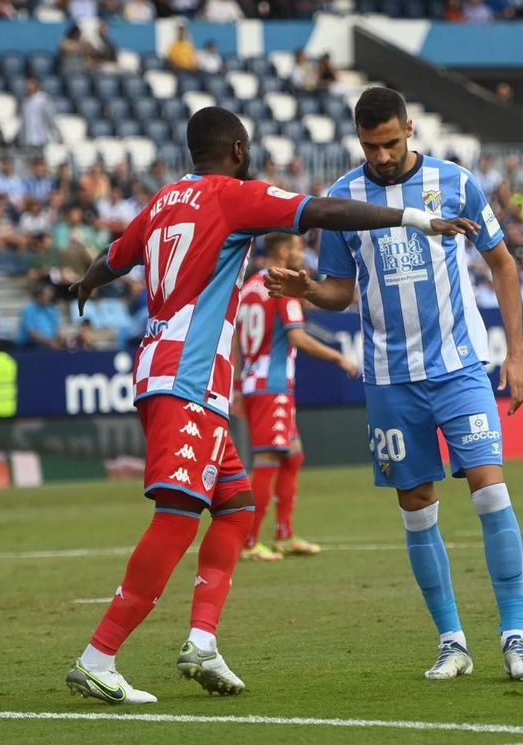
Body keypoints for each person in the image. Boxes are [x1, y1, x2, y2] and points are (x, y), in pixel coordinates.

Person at [62, 106, 476, 705]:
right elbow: (326, 211)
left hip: (168, 371)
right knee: (178, 515)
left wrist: (86, 284)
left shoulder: (162, 201)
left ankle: (202, 642)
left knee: (235, 508)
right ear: (236, 149)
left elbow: (113, 256)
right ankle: (98, 657)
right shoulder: (233, 196)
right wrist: (415, 217)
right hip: (188, 376)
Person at [268, 88, 523, 683]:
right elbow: (340, 291)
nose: (383, 156)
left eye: (391, 143)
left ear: (410, 128)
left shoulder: (456, 182)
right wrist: (307, 289)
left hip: (460, 367)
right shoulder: (342, 201)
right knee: (417, 509)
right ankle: (452, 642)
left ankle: (515, 635)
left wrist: (516, 353)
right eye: (371, 146)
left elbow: (503, 263)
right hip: (390, 379)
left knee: (490, 491)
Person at [235, 233, 360, 563]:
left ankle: (284, 534)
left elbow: (234, 337)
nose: (302, 254)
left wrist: (236, 384)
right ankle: (248, 541)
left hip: (256, 382)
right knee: (267, 461)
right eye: (297, 248)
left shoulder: (249, 286)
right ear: (282, 251)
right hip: (272, 386)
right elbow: (298, 338)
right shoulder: (284, 285)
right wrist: (338, 357)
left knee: (292, 457)